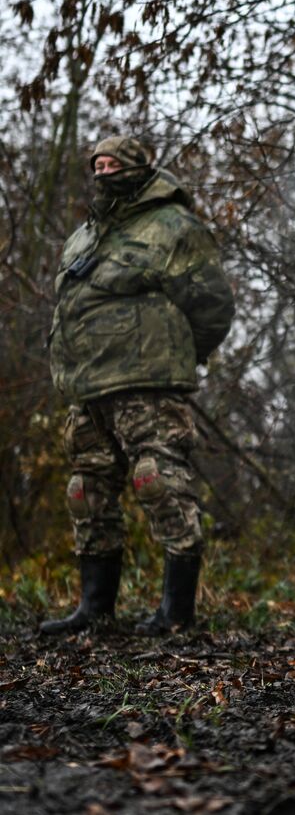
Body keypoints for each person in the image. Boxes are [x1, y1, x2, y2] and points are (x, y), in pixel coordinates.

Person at [42, 135, 235, 635]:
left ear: (138, 168)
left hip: (148, 383)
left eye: (114, 164)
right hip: (87, 387)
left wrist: (176, 353)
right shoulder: (84, 235)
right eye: (97, 165)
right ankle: (94, 609)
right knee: (86, 491)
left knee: (160, 483)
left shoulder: (172, 226)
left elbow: (213, 304)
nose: (104, 173)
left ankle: (176, 613)